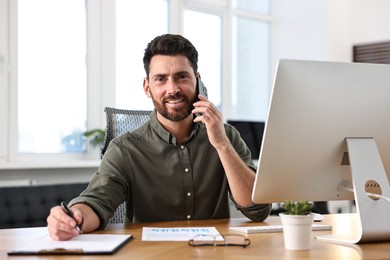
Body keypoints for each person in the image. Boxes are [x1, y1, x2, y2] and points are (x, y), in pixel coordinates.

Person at [47, 34, 271, 240]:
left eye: (182, 77)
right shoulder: (125, 149)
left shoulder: (226, 136)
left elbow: (257, 210)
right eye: (161, 79)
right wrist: (74, 217)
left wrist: (222, 145)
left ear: (198, 81)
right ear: (147, 87)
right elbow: (97, 200)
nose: (172, 89)